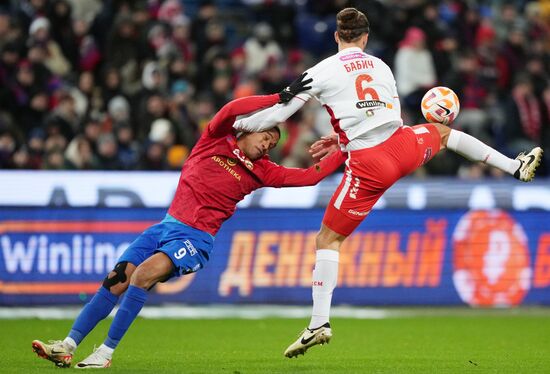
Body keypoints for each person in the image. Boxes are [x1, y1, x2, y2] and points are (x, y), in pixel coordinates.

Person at [232, 7, 543, 358]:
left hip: (370, 164)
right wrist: (341, 140)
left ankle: (319, 322)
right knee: (443, 134)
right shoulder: (381, 65)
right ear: (365, 37)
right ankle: (514, 166)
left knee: (328, 239)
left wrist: (236, 125)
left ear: (337, 36)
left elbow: (279, 115)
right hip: (402, 148)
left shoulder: (319, 71)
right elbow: (388, 119)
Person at [31, 74, 347, 369]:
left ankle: (105, 352)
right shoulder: (215, 139)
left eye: (272, 144)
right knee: (116, 279)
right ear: (248, 129)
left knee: (143, 275)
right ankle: (68, 344)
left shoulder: (262, 170)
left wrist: (344, 148)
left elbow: (309, 177)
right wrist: (277, 98)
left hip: (195, 240)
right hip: (165, 227)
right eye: (266, 136)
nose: (268, 145)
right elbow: (231, 108)